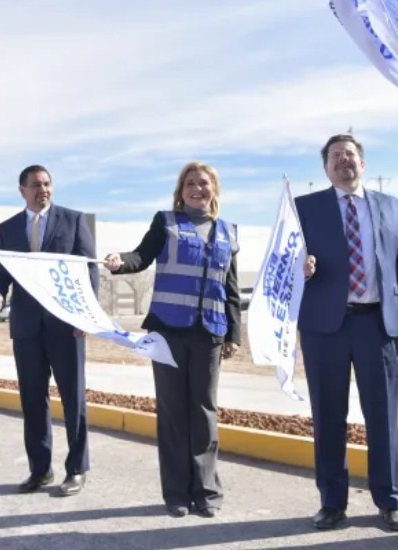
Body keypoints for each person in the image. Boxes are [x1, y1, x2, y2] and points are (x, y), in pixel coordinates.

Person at [294, 135, 398, 531]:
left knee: (383, 416)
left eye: (350, 155)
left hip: (377, 324)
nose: (343, 161)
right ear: (325, 168)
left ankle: (389, 499)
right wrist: (301, 265)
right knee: (329, 416)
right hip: (323, 327)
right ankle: (332, 503)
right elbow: (286, 258)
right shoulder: (304, 208)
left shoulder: (391, 206)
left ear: (362, 163)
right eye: (335, 156)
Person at [102, 161, 241, 519]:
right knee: (174, 412)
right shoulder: (166, 222)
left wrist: (234, 333)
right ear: (180, 191)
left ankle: (206, 491)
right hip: (168, 330)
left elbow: (231, 289)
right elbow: (141, 257)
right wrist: (120, 262)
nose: (197, 189)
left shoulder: (229, 231)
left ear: (214, 190)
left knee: (204, 412)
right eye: (190, 184)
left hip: (209, 332)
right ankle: (177, 492)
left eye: (204, 183)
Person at [0, 164, 98, 497]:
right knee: (33, 401)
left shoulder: (74, 220)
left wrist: (85, 316)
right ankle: (40, 470)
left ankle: (77, 470)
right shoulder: (7, 228)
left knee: (73, 399)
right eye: (36, 185)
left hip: (66, 326)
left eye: (47, 184)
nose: (43, 190)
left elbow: (88, 271)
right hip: (25, 327)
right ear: (22, 190)